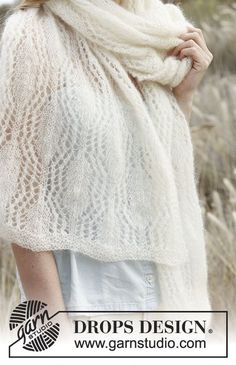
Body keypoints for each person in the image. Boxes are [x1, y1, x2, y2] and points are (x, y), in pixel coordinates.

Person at [0, 0, 213, 329]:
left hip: (166, 300)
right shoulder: (34, 32)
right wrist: (55, 328)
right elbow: (21, 200)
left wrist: (183, 95)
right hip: (84, 301)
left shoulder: (165, 34)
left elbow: (159, 170)